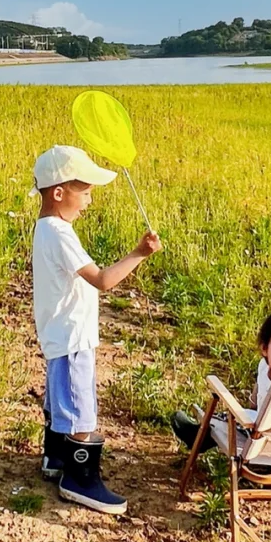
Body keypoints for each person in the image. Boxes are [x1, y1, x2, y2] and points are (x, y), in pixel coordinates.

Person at [33, 145, 162, 515]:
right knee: (79, 409)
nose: (89, 201)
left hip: (59, 333)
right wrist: (139, 253)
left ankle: (55, 459)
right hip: (73, 337)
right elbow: (102, 280)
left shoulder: (46, 228)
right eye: (85, 191)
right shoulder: (60, 233)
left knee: (62, 397)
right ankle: (79, 480)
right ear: (59, 193)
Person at [171, 308, 271, 453]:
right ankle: (200, 435)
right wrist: (253, 404)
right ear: (265, 349)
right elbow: (259, 389)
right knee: (247, 414)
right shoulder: (264, 366)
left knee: (229, 418)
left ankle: (199, 437)